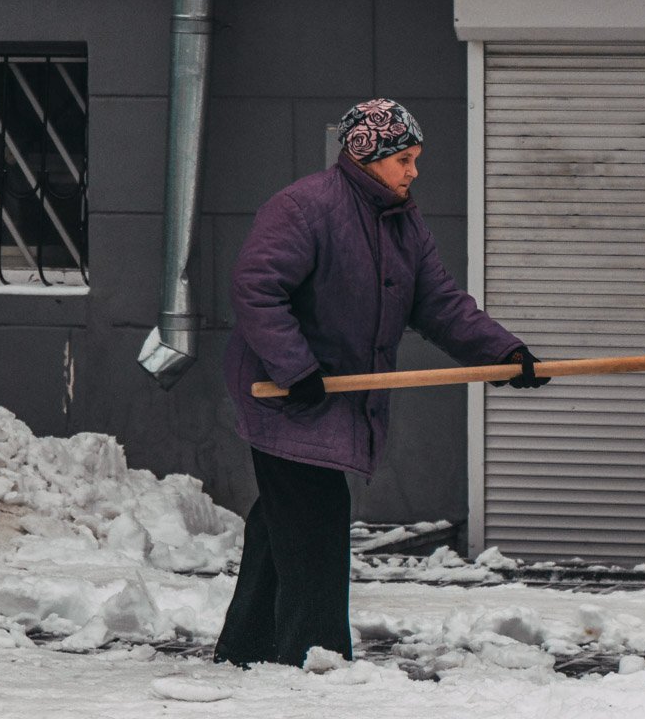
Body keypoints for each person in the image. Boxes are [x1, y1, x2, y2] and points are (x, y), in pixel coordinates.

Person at [215, 98, 549, 668]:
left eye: (416, 158)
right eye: (406, 159)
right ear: (368, 156)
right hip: (288, 394)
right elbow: (256, 289)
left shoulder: (400, 220)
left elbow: (438, 302)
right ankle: (314, 656)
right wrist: (295, 368)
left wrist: (503, 352)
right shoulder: (304, 207)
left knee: (283, 519)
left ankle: (250, 644)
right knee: (314, 521)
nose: (414, 171)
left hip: (335, 393)